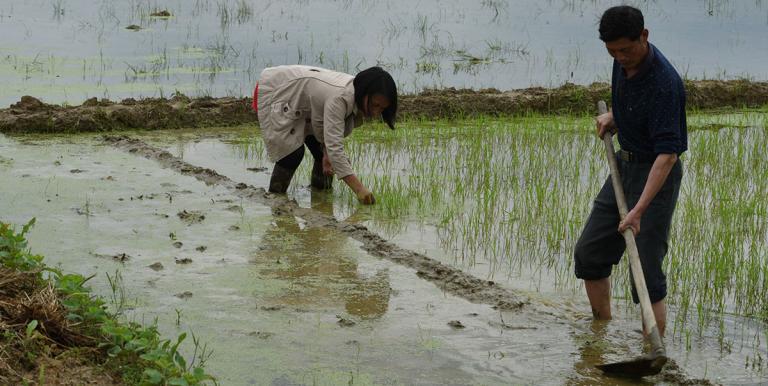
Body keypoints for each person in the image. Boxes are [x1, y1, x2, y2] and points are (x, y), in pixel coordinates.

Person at [574, 5, 687, 337]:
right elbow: (632, 105)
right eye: (612, 51)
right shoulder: (621, 61)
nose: (620, 57)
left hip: (657, 175)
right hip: (624, 165)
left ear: (644, 36)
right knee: (589, 252)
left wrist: (638, 210)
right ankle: (600, 332)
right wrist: (616, 118)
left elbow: (667, 155)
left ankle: (652, 352)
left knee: (647, 270)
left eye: (625, 49)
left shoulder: (665, 84)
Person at [253, 65, 397, 204]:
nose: (376, 113)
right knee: (291, 155)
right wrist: (359, 190)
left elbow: (325, 129)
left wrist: (326, 153)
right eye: (374, 105)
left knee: (323, 156)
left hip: (307, 108)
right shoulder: (340, 98)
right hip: (279, 92)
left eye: (382, 108)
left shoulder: (356, 95)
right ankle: (276, 199)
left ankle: (321, 201)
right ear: (364, 93)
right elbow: (335, 147)